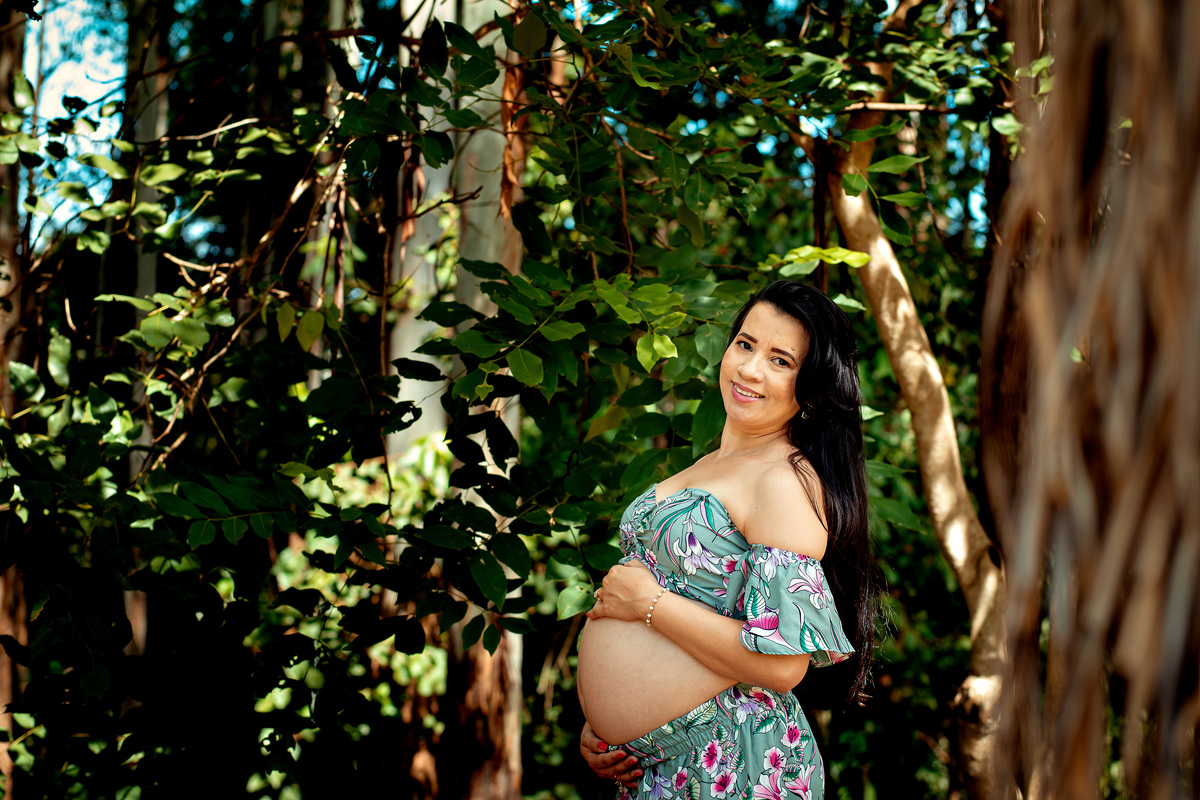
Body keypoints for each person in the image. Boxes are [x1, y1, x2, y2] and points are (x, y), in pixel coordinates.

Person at [575, 280, 876, 799]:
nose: (750, 369)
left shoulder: (782, 481)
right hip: (659, 765)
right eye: (745, 344)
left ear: (812, 388)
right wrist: (606, 726)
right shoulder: (709, 465)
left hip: (735, 762)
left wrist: (649, 604)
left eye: (780, 360)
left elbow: (783, 665)